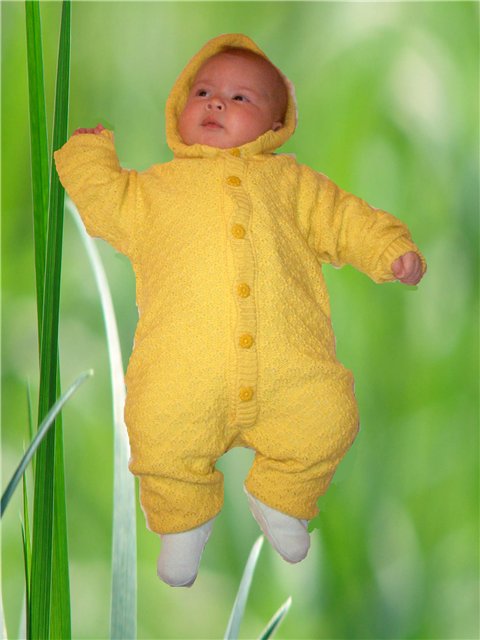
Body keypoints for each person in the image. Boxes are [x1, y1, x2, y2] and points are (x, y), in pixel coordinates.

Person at [54, 33, 426, 588]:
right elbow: (106, 202)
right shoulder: (155, 191)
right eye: (202, 92)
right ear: (178, 107)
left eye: (240, 97)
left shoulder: (294, 185)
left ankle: (283, 495)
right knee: (157, 434)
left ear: (276, 125)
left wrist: (389, 248)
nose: (216, 103)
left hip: (288, 371)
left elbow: (346, 219)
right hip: (183, 376)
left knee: (330, 417)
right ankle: (182, 523)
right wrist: (89, 155)